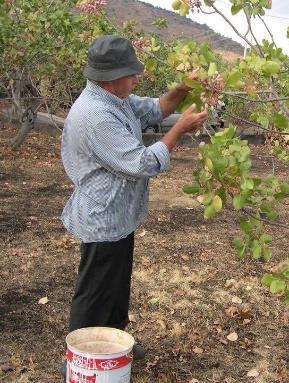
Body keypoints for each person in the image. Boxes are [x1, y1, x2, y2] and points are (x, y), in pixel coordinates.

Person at [60, 35, 208, 364]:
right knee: (95, 290)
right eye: (131, 73)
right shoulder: (95, 115)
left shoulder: (115, 98)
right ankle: (81, 358)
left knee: (114, 287)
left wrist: (182, 91)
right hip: (102, 217)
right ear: (112, 79)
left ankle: (113, 341)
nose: (136, 77)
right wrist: (179, 130)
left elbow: (156, 108)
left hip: (119, 214)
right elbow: (140, 164)